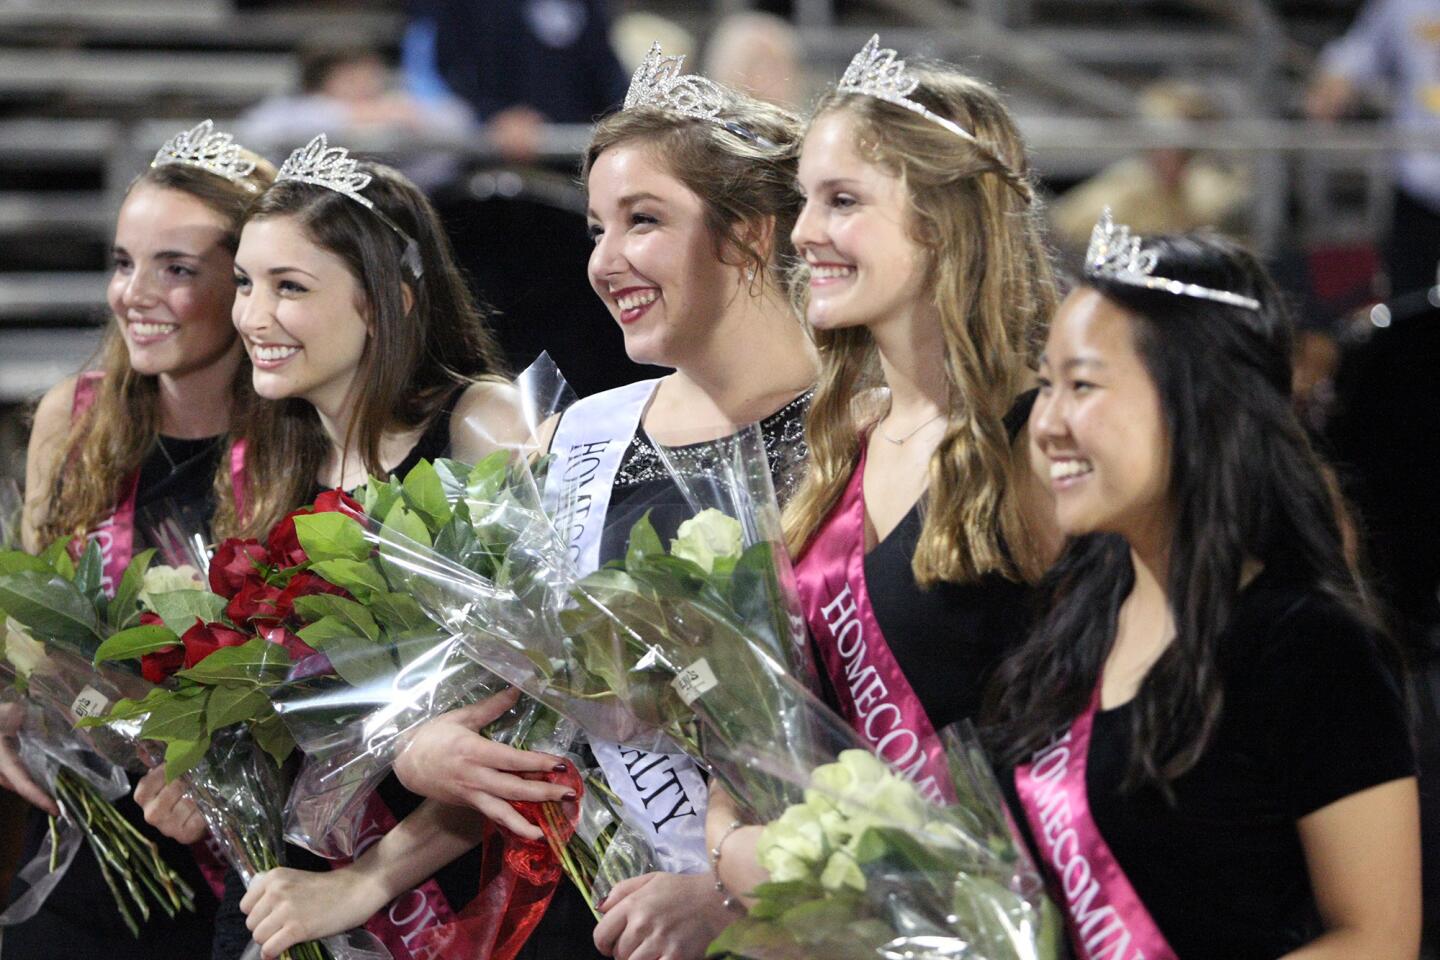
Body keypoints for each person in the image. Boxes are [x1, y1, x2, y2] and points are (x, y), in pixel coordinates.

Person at [385, 43, 816, 960]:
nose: (605, 261)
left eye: (643, 221)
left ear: (750, 234)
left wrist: (735, 894)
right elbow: (494, 682)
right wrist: (423, 746)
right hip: (602, 914)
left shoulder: (860, 435)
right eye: (595, 228)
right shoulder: (578, 439)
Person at [987, 214, 1420, 959]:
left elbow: (1377, 938)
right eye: (1047, 383)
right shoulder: (1079, 609)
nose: (1048, 422)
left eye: (1082, 385)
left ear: (1197, 402)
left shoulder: (1309, 647)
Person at [708, 34, 1059, 899]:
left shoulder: (1043, 446)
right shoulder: (844, 441)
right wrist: (730, 845)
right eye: (803, 202)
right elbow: (776, 717)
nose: (803, 233)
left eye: (841, 201)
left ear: (943, 222)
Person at [210, 134, 525, 960]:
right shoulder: (272, 456)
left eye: (290, 287)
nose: (251, 315)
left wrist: (364, 884)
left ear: (390, 300)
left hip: (457, 897)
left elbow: (544, 712)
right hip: (298, 887)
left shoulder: (481, 425)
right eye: (246, 283)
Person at [1, 120, 274, 959]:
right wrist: (14, 706)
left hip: (259, 853)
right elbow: (28, 620)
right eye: (124, 263)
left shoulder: (303, 435)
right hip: (98, 822)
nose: (134, 294)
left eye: (177, 270)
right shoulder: (74, 415)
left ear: (247, 283)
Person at [1306, 0, 1440, 297]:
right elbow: (1363, 48)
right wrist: (1336, 76)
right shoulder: (1405, 5)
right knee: (1410, 298)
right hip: (1417, 177)